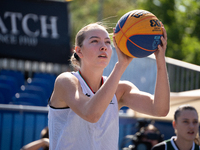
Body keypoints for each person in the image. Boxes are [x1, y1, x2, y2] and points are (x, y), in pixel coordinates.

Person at [48, 22, 170, 150]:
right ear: (79, 51)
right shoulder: (66, 81)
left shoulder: (120, 89)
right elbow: (91, 114)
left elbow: (160, 109)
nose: (104, 47)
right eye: (95, 41)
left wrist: (160, 58)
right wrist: (120, 65)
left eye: (107, 42)